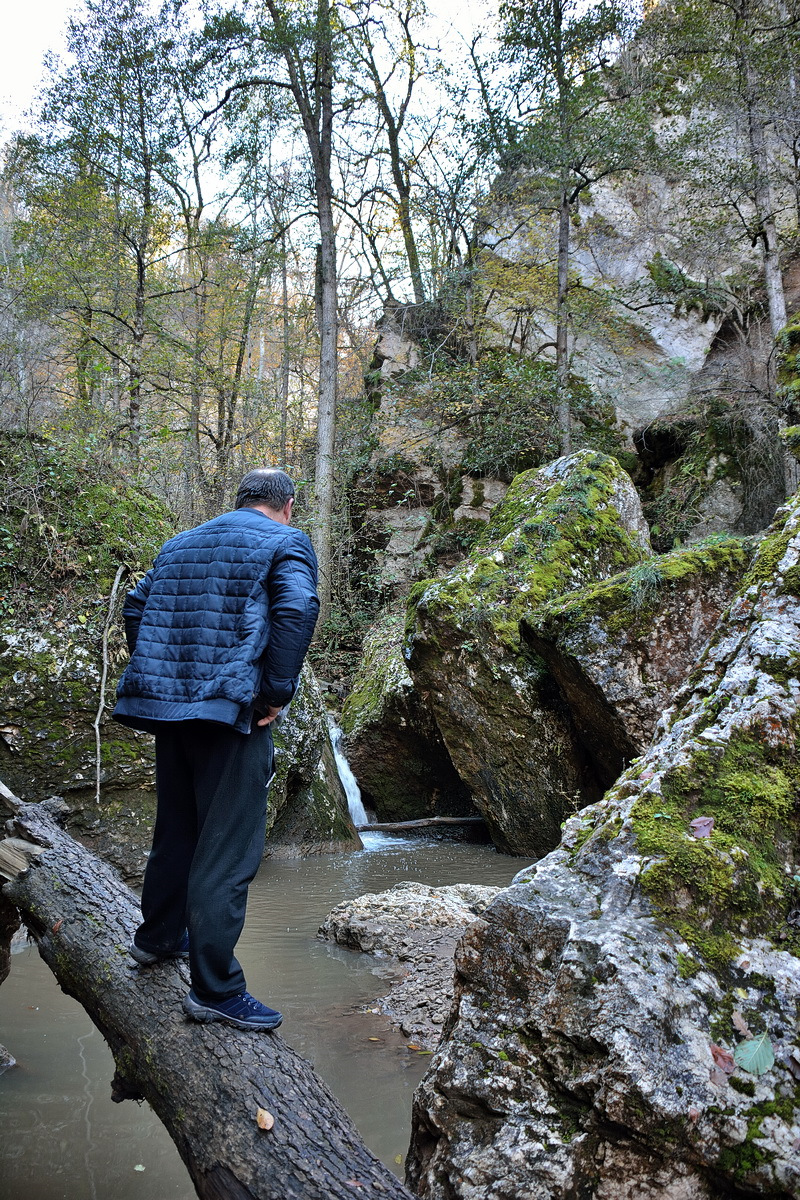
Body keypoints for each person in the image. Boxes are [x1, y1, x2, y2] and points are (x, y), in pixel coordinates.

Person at [113, 468, 319, 1031]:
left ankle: (155, 939)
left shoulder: (180, 542)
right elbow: (297, 610)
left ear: (240, 500)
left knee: (177, 829)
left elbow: (137, 607)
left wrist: (167, 675)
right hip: (233, 713)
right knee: (228, 850)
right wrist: (273, 694)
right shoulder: (286, 540)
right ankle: (215, 990)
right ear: (288, 506)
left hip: (173, 709)